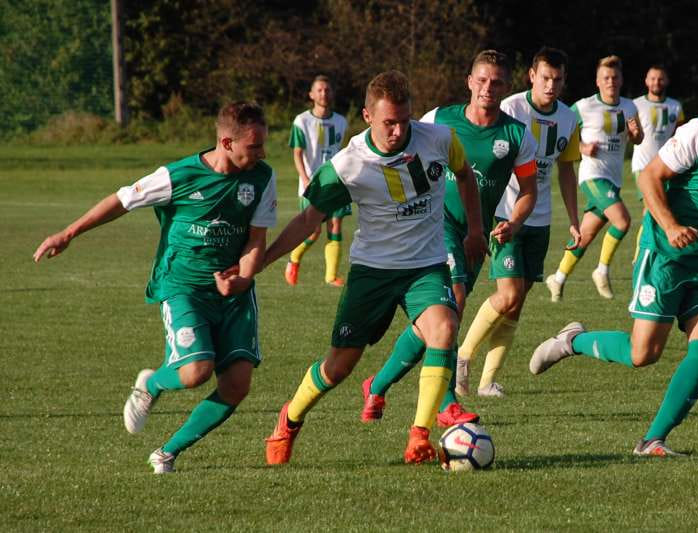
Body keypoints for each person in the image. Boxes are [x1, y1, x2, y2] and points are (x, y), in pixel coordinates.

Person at [529, 60, 698, 457]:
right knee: (643, 354)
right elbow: (649, 177)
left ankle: (653, 440)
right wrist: (669, 226)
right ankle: (573, 341)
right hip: (665, 253)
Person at [33, 102, 277, 473]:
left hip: (235, 291)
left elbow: (256, 239)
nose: (261, 154)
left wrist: (242, 278)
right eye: (254, 146)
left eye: (262, 145)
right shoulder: (178, 176)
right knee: (196, 373)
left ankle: (167, 452)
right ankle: (152, 384)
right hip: (183, 286)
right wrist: (69, 233)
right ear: (226, 141)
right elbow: (122, 200)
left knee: (238, 384)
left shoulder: (261, 177)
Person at [262, 70, 486, 465]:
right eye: (389, 123)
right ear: (367, 116)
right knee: (339, 366)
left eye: (404, 120)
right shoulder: (348, 164)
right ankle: (289, 419)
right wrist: (264, 258)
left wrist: (475, 229)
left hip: (425, 266)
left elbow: (465, 176)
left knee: (445, 327)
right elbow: (308, 218)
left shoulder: (439, 139)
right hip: (372, 271)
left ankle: (419, 436)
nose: (399, 130)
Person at [360, 50, 537, 422]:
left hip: (479, 229)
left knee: (440, 321)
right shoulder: (440, 119)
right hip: (435, 225)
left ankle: (377, 385)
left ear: (508, 87)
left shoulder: (517, 134)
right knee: (452, 304)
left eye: (497, 82)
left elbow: (529, 191)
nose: (488, 87)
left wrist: (514, 224)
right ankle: (446, 405)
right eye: (482, 79)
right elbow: (400, 150)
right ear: (470, 81)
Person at [456, 46, 581, 397]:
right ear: (531, 76)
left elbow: (567, 170)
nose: (551, 85)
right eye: (545, 78)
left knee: (518, 301)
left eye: (557, 80)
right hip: (503, 214)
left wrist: (574, 219)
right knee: (507, 293)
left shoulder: (569, 119)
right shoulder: (511, 108)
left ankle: (486, 381)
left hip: (539, 221)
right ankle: (463, 356)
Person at [546, 55, 643, 302]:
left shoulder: (630, 107)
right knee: (622, 221)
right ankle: (601, 271)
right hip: (592, 176)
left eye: (615, 77)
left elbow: (638, 139)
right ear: (598, 81)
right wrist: (581, 148)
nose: (611, 81)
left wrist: (635, 134)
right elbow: (562, 132)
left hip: (614, 179)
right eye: (606, 78)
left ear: (621, 80)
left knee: (585, 234)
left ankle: (557, 278)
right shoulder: (583, 106)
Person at [284, 75, 350, 287]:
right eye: (320, 90)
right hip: (312, 184)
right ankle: (294, 259)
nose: (324, 93)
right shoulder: (302, 121)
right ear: (311, 95)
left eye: (327, 90)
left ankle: (331, 276)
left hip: (336, 182)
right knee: (313, 230)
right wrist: (305, 179)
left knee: (336, 225)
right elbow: (297, 153)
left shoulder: (341, 121)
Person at [630, 65, 685, 261]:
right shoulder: (635, 105)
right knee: (650, 210)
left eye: (660, 79)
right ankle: (639, 256)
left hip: (665, 167)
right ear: (646, 81)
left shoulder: (675, 106)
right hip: (642, 166)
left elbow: (679, 134)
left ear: (667, 81)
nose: (656, 82)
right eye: (652, 78)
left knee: (659, 211)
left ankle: (655, 252)